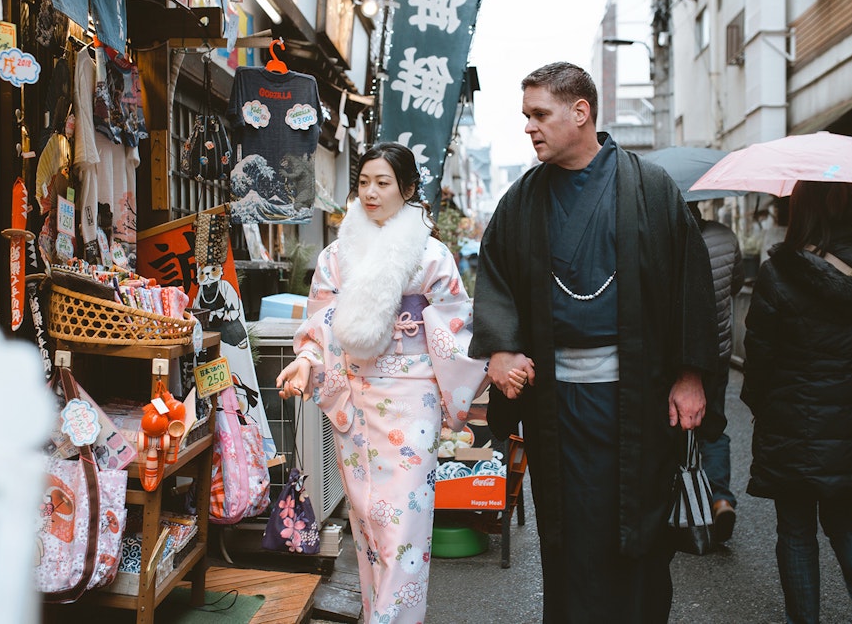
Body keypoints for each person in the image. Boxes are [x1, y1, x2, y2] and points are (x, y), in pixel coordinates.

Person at [470, 61, 718, 622]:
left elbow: (691, 286)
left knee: (638, 526)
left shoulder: (650, 188)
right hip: (559, 404)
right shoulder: (522, 199)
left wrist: (690, 375)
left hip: (639, 398)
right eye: (525, 116)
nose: (529, 128)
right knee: (569, 532)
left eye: (540, 114)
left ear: (581, 112)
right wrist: (502, 347)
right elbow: (498, 278)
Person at [275, 142, 487, 623]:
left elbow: (455, 325)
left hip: (413, 398)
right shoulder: (337, 255)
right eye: (364, 182)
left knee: (403, 527)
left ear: (408, 189)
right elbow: (321, 321)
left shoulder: (431, 256)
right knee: (368, 520)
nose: (371, 193)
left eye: (383, 183)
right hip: (356, 395)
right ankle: (377, 615)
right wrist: (307, 360)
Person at [741, 180, 852, 624]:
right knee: (847, 517)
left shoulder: (781, 271)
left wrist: (760, 404)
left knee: (795, 529)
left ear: (802, 209)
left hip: (793, 416)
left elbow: (761, 351)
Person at [690, 201, 745, 542]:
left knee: (671, 429)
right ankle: (720, 498)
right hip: (718, 351)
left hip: (673, 357)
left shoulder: (662, 237)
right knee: (713, 426)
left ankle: (679, 506)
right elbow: (736, 283)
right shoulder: (725, 235)